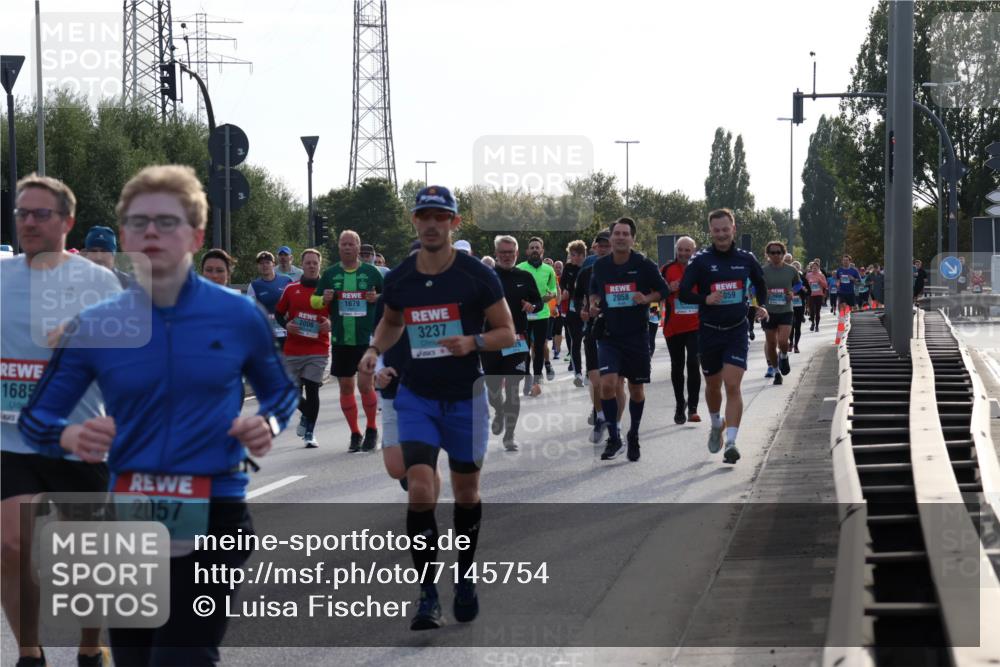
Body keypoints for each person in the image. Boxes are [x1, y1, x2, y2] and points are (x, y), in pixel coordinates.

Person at [18, 164, 298, 666]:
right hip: (131, 517)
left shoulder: (238, 316)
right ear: (124, 234)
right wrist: (70, 435)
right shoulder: (97, 324)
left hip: (215, 510)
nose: (150, 232)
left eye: (166, 222)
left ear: (195, 235)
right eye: (138, 222)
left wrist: (269, 423)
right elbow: (37, 419)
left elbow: (281, 394)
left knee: (182, 657)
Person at [358, 185, 515, 631]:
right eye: (423, 216)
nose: (431, 223)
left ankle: (464, 578)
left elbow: (507, 331)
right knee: (422, 488)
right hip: (417, 397)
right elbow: (391, 322)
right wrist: (373, 350)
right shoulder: (401, 278)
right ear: (415, 222)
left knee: (466, 494)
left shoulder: (475, 275)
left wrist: (474, 341)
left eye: (439, 217)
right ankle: (428, 595)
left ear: (453, 223)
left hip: (465, 397)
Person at [3, 174, 122, 667]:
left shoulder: (99, 283)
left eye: (40, 214)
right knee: (10, 543)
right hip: (11, 434)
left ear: (66, 222)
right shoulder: (2, 278)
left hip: (80, 436)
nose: (28, 222)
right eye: (22, 213)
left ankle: (90, 646)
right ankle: (29, 653)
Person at [679, 208, 767, 465]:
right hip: (708, 331)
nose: (721, 234)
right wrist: (704, 298)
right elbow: (684, 292)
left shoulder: (746, 258)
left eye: (725, 229)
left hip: (737, 329)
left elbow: (760, 284)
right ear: (711, 231)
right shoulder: (701, 260)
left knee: (732, 384)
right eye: (716, 230)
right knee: (713, 386)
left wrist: (761, 305)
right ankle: (716, 423)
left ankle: (731, 442)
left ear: (733, 229)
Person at [589, 217, 668, 462]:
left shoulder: (643, 264)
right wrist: (593, 304)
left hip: (636, 335)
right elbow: (593, 291)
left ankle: (633, 433)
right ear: (611, 238)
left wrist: (645, 298)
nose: (621, 237)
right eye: (617, 234)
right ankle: (614, 436)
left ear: (632, 238)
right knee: (608, 385)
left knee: (636, 389)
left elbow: (663, 290)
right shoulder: (600, 266)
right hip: (609, 335)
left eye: (625, 234)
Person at [311, 230, 384, 452]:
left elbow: (390, 297)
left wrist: (377, 297)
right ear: (339, 247)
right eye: (343, 244)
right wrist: (323, 299)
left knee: (364, 385)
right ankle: (355, 432)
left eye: (351, 244)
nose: (347, 247)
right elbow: (314, 300)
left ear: (358, 247)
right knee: (345, 386)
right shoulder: (331, 273)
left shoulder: (371, 272)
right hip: (341, 339)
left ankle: (372, 428)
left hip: (364, 339)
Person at [481, 235, 543, 451]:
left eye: (511, 252)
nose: (507, 256)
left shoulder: (524, 276)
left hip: (517, 340)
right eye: (503, 252)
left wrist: (532, 307)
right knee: (493, 389)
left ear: (517, 254)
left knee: (513, 387)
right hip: (491, 341)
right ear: (497, 253)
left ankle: (509, 435)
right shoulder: (487, 277)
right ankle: (497, 409)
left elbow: (538, 302)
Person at [275, 248, 332, 448]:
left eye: (315, 263)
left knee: (312, 388)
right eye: (307, 262)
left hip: (318, 347)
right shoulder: (291, 289)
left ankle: (310, 433)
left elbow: (338, 316)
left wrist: (330, 324)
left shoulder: (328, 291)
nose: (311, 266)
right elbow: (279, 312)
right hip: (293, 348)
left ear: (319, 265)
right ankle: (307, 416)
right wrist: (286, 325)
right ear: (302, 265)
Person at [576, 232, 624, 442]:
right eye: (600, 246)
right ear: (594, 248)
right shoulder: (586, 273)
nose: (603, 249)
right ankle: (601, 416)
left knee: (617, 384)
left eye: (607, 246)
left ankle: (618, 425)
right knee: (596, 381)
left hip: (619, 333)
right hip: (594, 330)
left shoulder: (623, 269)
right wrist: (583, 311)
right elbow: (579, 299)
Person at [661, 236, 701, 424]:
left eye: (688, 250)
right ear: (676, 250)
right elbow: (656, 293)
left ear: (694, 251)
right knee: (677, 366)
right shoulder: (667, 269)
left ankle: (693, 408)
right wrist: (669, 288)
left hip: (696, 326)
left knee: (693, 363)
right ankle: (680, 404)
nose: (684, 253)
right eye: (681, 250)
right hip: (673, 327)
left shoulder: (700, 268)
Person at [517, 238, 559, 394]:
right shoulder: (520, 268)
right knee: (525, 348)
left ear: (542, 251)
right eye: (532, 247)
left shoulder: (549, 270)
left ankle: (537, 378)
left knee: (540, 347)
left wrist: (551, 295)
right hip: (525, 314)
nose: (534, 250)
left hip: (542, 314)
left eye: (537, 247)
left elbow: (554, 289)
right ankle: (527, 377)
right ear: (527, 251)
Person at [761, 241, 798, 384]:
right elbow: (753, 288)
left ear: (783, 253)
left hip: (786, 310)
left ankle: (783, 355)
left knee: (783, 341)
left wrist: (792, 293)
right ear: (768, 255)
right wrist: (759, 300)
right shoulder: (763, 270)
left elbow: (799, 284)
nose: (776, 255)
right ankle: (776, 372)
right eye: (772, 253)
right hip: (769, 312)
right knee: (771, 344)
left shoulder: (791, 270)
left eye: (779, 252)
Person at [247, 251, 293, 342]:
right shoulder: (254, 285)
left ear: (273, 264)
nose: (264, 266)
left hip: (286, 331)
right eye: (261, 263)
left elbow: (294, 303)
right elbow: (251, 311)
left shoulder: (287, 280)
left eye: (267, 262)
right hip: (266, 333)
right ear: (258, 266)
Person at [561, 240, 587, 386]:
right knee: (575, 342)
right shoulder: (568, 267)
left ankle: (591, 371)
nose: (573, 258)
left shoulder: (589, 266)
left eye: (576, 255)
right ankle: (578, 374)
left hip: (588, 309)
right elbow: (563, 282)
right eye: (571, 255)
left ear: (583, 254)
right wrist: (565, 289)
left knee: (590, 341)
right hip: (572, 310)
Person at [789, 261, 808, 353]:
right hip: (789, 304)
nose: (795, 268)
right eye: (794, 267)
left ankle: (796, 345)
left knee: (798, 326)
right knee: (791, 325)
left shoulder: (803, 279)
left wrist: (804, 290)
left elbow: (809, 292)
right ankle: (790, 343)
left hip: (800, 304)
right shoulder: (787, 278)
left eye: (797, 267)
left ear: (799, 269)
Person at [806, 261, 828, 331]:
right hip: (811, 295)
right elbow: (805, 284)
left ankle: (817, 326)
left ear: (818, 268)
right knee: (812, 311)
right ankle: (812, 323)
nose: (814, 268)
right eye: (813, 267)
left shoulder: (821, 275)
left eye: (816, 267)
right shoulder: (808, 275)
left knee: (817, 311)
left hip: (819, 295)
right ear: (811, 268)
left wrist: (820, 281)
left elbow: (825, 285)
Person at [551, 260, 565, 361]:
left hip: (560, 309)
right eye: (556, 267)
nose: (558, 269)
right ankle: (554, 344)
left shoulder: (564, 279)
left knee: (558, 330)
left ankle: (557, 350)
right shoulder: (550, 278)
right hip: (550, 309)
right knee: (552, 331)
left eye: (560, 267)